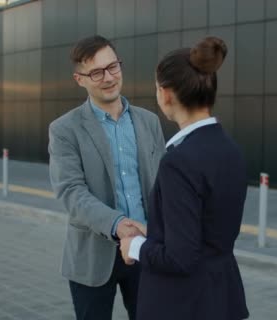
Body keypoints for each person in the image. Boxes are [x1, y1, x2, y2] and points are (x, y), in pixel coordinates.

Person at [119, 37, 250, 320]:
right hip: (223, 299)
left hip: (182, 304)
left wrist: (135, 246)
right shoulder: (231, 150)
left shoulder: (178, 161)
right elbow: (205, 231)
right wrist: (155, 231)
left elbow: (181, 257)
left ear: (166, 94)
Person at [48, 35, 165, 320]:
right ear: (80, 79)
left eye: (113, 67)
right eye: (97, 72)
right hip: (92, 256)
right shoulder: (65, 129)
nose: (108, 77)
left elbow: (164, 185)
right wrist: (119, 225)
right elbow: (71, 192)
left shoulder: (149, 121)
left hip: (146, 250)